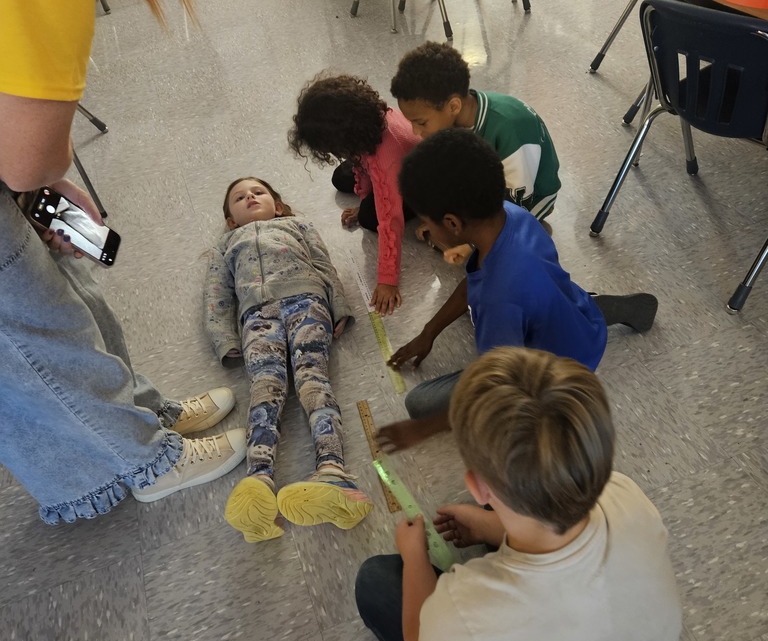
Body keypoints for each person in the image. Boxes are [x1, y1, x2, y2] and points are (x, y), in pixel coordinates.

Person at [0, 0, 270, 523]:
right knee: (28, 328)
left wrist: (45, 180)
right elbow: (24, 160)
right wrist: (42, 175)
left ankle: (142, 413)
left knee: (67, 290)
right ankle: (138, 461)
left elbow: (24, 158)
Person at [356, 346, 683, 641]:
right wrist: (493, 530)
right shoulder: (625, 493)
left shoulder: (468, 607)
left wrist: (415, 557)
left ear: (477, 486)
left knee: (374, 581)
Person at [378, 130, 658, 450]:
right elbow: (475, 281)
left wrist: (423, 430)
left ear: (454, 224)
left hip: (552, 378)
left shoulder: (499, 301)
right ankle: (610, 309)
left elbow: (498, 385)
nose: (424, 230)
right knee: (552, 302)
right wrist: (429, 332)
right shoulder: (513, 215)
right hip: (575, 314)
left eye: (426, 222)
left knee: (419, 403)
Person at [206, 177, 372, 543]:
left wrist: (338, 306)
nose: (250, 196)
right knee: (265, 388)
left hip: (306, 300)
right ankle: (258, 479)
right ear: (231, 220)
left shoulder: (298, 225)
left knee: (313, 379)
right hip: (257, 316)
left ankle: (333, 471)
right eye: (239, 197)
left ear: (277, 206)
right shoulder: (227, 243)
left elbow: (324, 265)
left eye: (258, 192)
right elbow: (217, 293)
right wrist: (224, 339)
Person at [390, 41, 561, 263]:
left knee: (491, 255)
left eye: (421, 122)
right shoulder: (460, 112)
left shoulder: (511, 128)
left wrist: (470, 244)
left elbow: (517, 201)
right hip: (488, 184)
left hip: (531, 196)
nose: (415, 131)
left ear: (453, 106)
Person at [288, 73, 421, 316]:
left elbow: (390, 220)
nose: (333, 152)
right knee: (341, 176)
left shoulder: (385, 159)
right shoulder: (369, 122)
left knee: (372, 217)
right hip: (385, 159)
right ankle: (368, 200)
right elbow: (363, 163)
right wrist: (365, 193)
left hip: (418, 183)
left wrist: (387, 279)